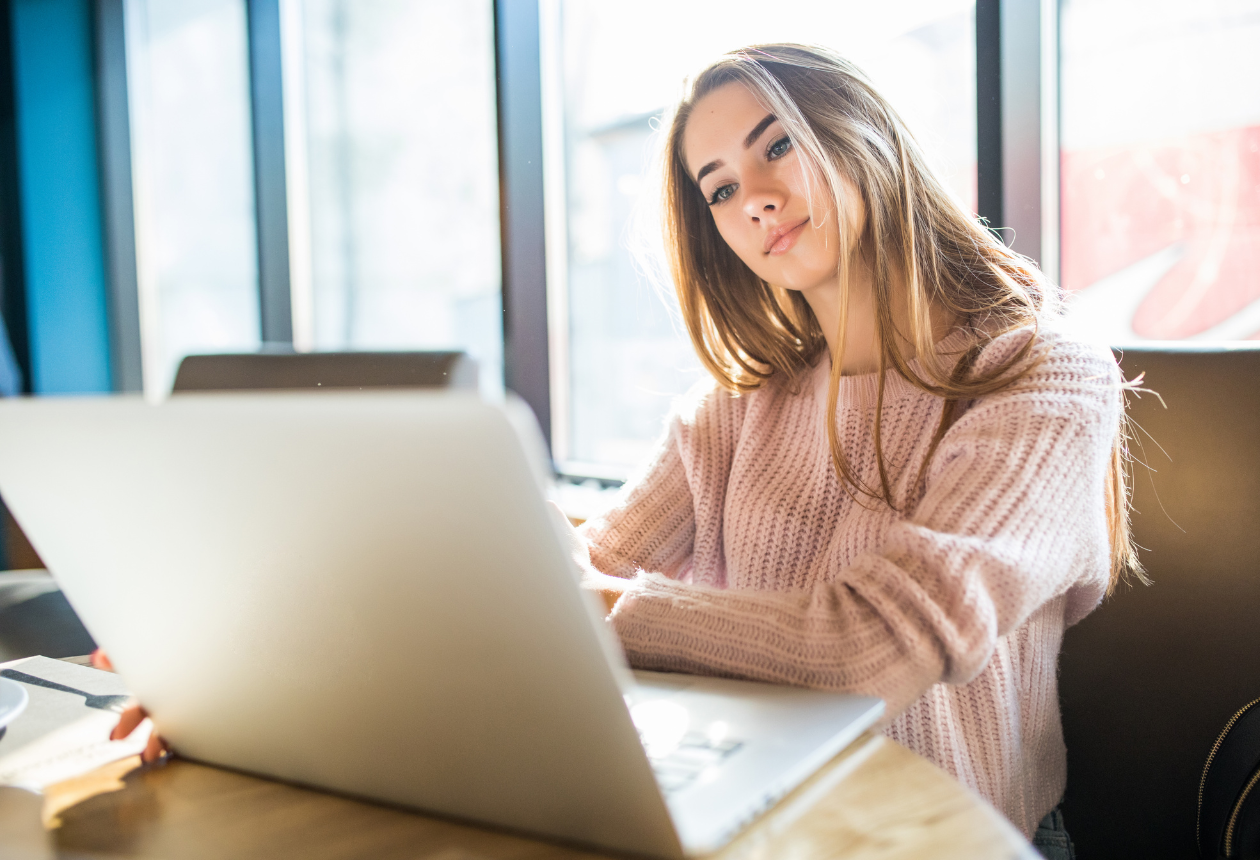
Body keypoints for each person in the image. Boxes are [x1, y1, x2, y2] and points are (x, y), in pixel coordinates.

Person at [110, 43, 1136, 860]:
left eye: (777, 146)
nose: (755, 199)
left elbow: (877, 647)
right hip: (761, 818)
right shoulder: (738, 406)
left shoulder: (1043, 373)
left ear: (864, 133)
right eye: (720, 187)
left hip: (952, 835)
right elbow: (562, 573)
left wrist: (592, 613)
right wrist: (256, 681)